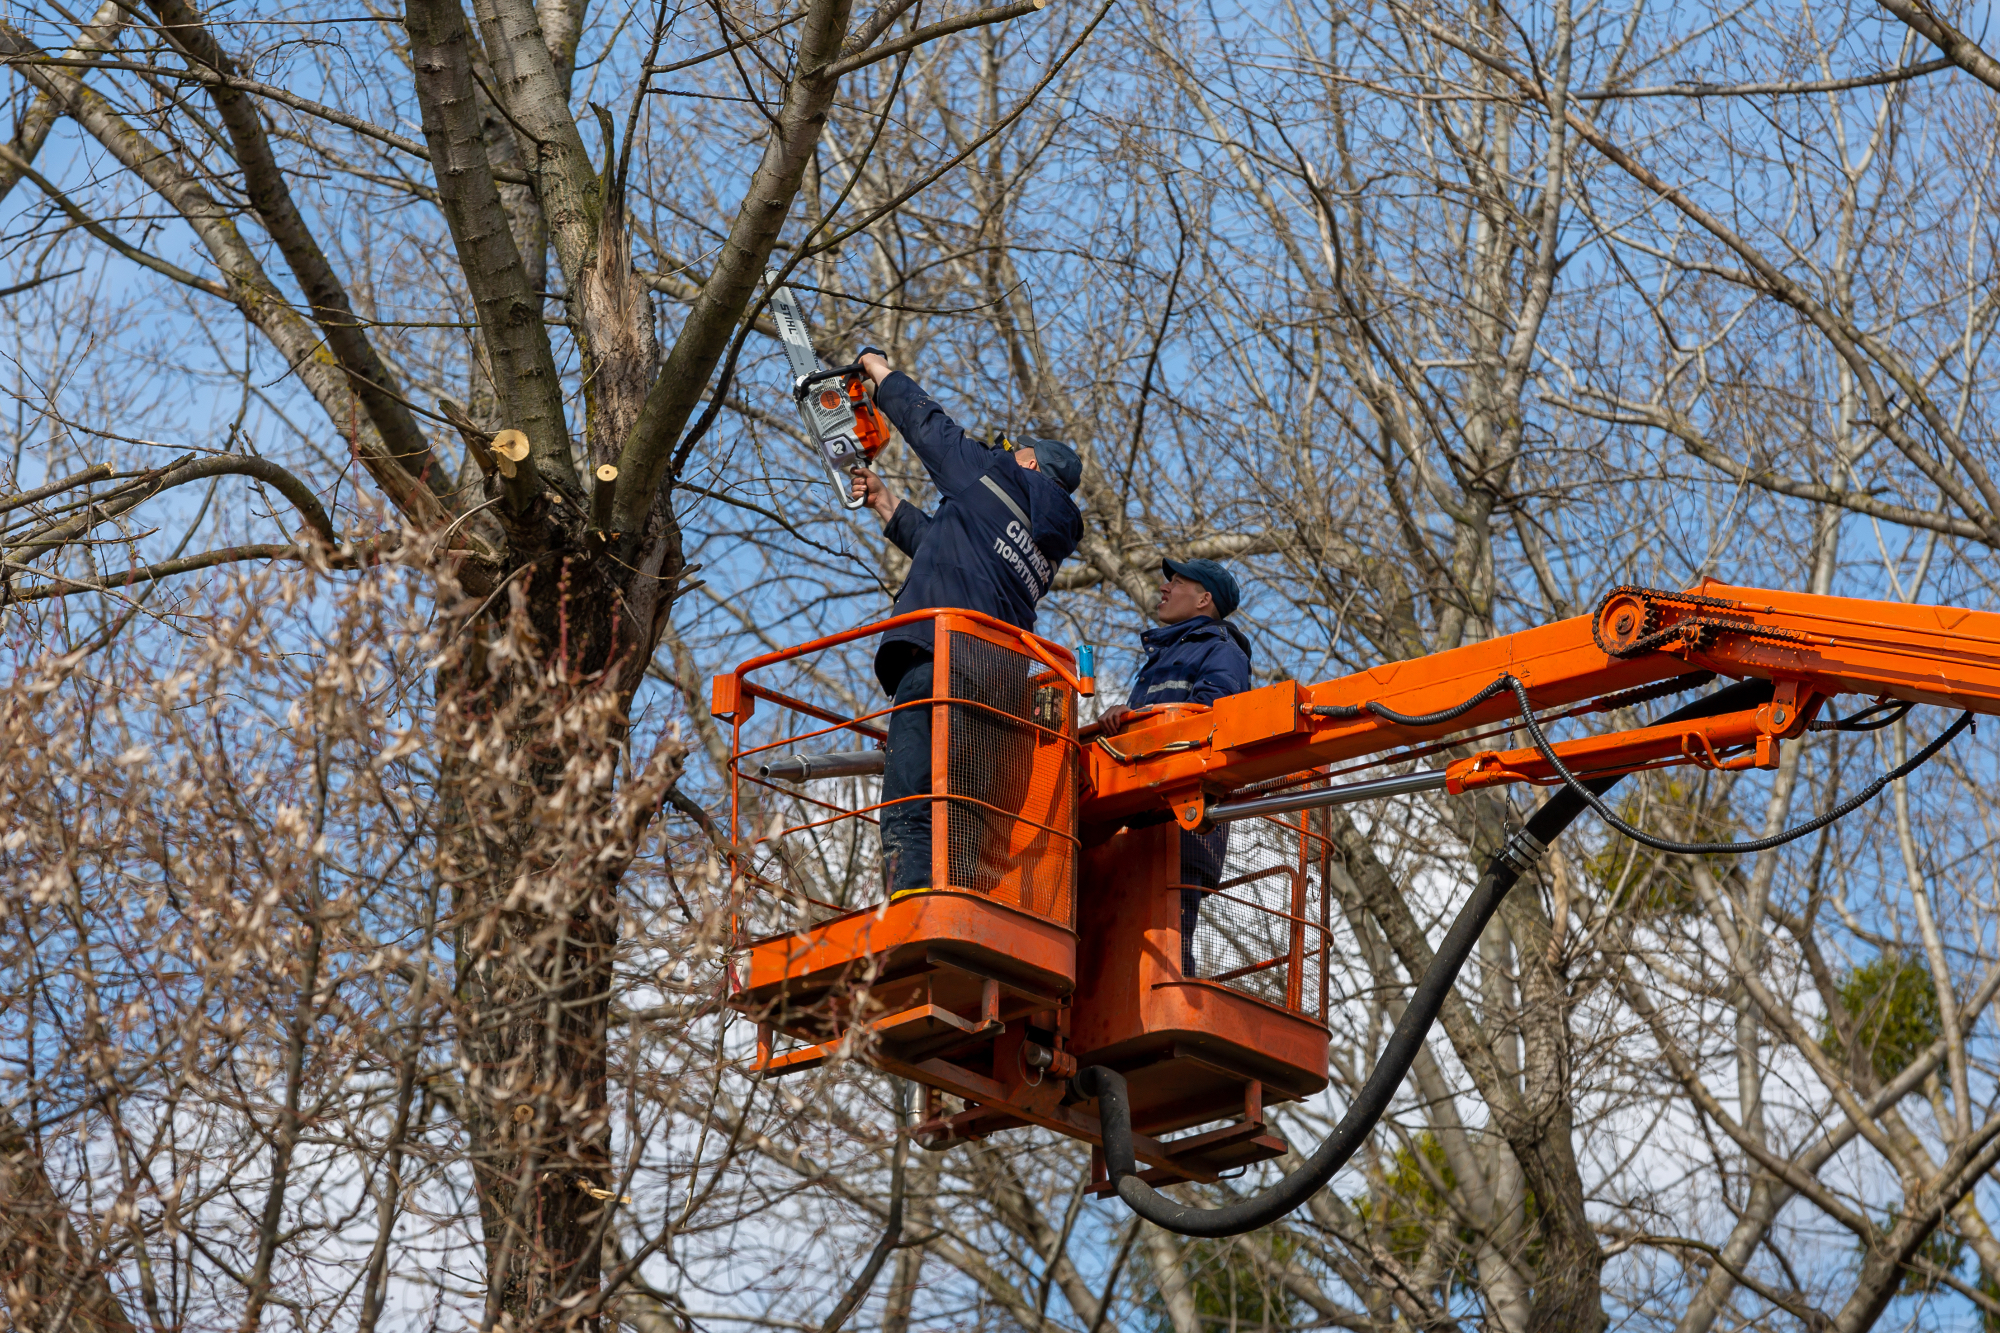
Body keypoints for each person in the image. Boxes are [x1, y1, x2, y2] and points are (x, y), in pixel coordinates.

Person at [847, 348, 1084, 899]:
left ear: (1027, 465)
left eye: (1015, 451)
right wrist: (887, 504)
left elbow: (928, 426)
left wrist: (878, 372)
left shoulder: (995, 475)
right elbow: (955, 554)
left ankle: (910, 901)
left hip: (939, 658)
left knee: (910, 790)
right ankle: (964, 901)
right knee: (964, 806)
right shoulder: (1045, 546)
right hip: (996, 685)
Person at [1098, 558, 1251, 974]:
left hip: (1183, 828)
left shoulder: (1221, 652)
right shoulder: (1169, 656)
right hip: (1144, 826)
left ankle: (1172, 1018)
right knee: (1128, 958)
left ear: (1204, 599)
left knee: (1168, 956)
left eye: (1177, 582)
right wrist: (1124, 720)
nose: (1164, 589)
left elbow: (1208, 724)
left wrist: (1143, 721)